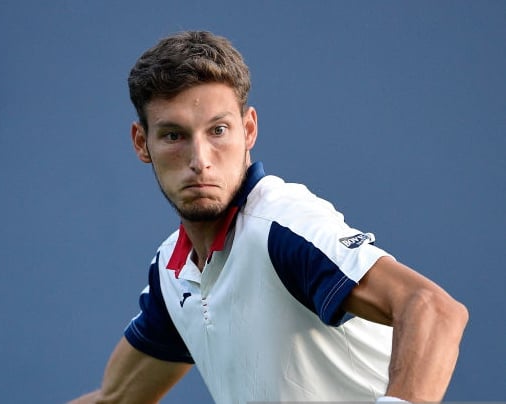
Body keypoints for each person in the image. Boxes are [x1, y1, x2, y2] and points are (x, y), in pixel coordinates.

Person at [70, 31, 468, 404]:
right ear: (143, 143)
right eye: (174, 135)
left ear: (248, 130)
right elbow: (116, 398)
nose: (200, 161)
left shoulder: (282, 226)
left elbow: (433, 309)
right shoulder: (173, 274)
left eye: (219, 130)